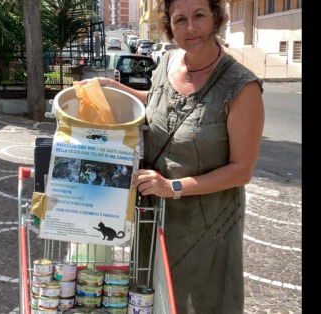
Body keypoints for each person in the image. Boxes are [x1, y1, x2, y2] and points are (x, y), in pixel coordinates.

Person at [81, 0, 264, 312]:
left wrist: (173, 187)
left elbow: (241, 171)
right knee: (150, 298)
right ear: (168, 26)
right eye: (180, 19)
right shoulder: (168, 60)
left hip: (205, 228)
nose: (190, 28)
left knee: (198, 304)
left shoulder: (241, 87)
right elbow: (154, 103)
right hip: (154, 216)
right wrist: (111, 88)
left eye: (200, 16)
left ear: (217, 18)